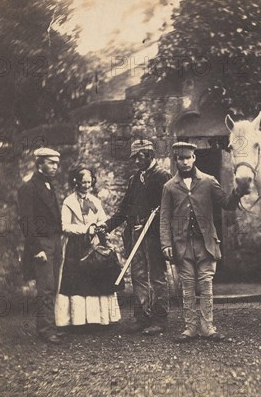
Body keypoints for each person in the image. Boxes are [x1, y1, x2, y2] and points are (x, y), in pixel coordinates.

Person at [160, 142, 249, 342]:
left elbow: (226, 203)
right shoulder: (169, 187)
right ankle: (190, 327)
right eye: (180, 159)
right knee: (188, 286)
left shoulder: (208, 181)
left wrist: (237, 192)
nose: (184, 162)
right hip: (182, 244)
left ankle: (208, 327)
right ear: (176, 161)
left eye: (188, 158)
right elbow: (164, 218)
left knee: (206, 285)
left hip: (206, 243)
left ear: (194, 158)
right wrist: (166, 244)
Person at [103, 139, 172, 335]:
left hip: (154, 234)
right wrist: (106, 226)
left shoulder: (163, 177)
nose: (135, 161)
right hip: (135, 233)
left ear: (150, 155)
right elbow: (124, 209)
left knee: (157, 277)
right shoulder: (135, 180)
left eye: (139, 157)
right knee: (138, 275)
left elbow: (170, 208)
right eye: (133, 158)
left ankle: (160, 319)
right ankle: (142, 317)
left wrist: (157, 222)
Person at [55, 167, 123, 328]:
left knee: (98, 278)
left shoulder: (95, 201)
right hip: (76, 246)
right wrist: (86, 229)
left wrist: (100, 228)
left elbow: (102, 219)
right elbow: (65, 226)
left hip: (95, 244)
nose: (86, 185)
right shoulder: (69, 202)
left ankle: (99, 319)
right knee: (76, 281)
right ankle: (77, 320)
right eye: (83, 182)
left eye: (89, 182)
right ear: (76, 182)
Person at [17, 147, 64, 344]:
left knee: (52, 286)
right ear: (39, 164)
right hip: (42, 243)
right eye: (51, 163)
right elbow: (26, 221)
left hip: (54, 240)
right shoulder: (29, 187)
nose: (55, 167)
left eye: (56, 163)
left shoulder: (48, 185)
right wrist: (37, 249)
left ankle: (48, 326)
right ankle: (45, 330)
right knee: (45, 288)